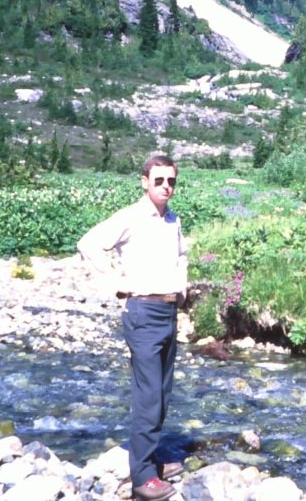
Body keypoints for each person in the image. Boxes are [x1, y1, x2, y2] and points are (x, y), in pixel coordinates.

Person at [77, 155, 188, 501]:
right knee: (148, 393)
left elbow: (182, 256)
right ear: (144, 181)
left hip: (168, 312)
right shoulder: (130, 217)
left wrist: (182, 291)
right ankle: (142, 477)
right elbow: (88, 244)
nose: (166, 186)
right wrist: (116, 282)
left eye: (171, 180)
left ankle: (151, 457)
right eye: (159, 180)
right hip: (141, 312)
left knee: (163, 392)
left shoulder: (173, 220)